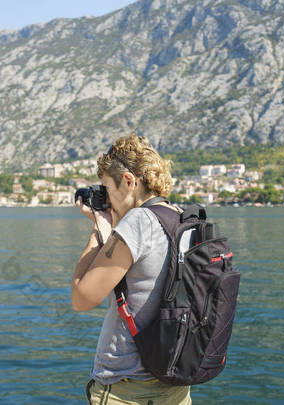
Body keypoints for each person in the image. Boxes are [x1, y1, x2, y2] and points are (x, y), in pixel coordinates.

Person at [72, 134, 191, 404]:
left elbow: (81, 298)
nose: (107, 200)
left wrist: (99, 229)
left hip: (128, 392)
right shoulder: (180, 217)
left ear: (128, 181)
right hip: (176, 389)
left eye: (108, 190)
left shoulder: (138, 223)